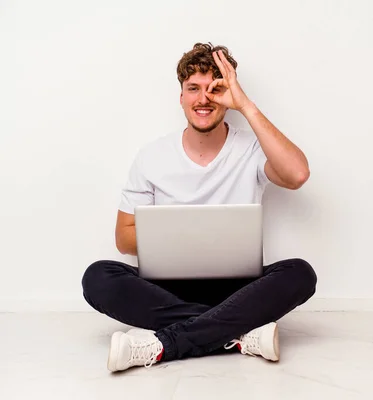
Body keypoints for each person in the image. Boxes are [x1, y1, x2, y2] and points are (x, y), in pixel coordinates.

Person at [81, 43, 317, 372]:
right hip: (167, 289)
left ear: (228, 95)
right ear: (181, 96)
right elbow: (123, 238)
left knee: (300, 274)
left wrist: (245, 105)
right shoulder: (152, 156)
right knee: (98, 277)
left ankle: (163, 343)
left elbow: (297, 174)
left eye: (215, 89)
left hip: (237, 289)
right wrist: (182, 238)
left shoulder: (250, 147)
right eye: (193, 88)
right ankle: (237, 335)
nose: (203, 99)